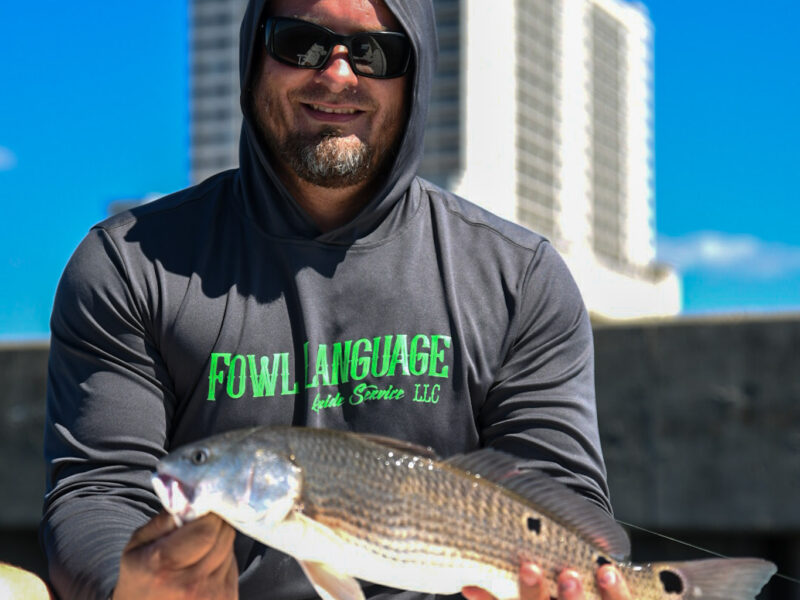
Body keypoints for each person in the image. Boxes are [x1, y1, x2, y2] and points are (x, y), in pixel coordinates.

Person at [40, 0, 633, 598]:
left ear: (417, 74)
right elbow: (100, 491)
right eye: (300, 43)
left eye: (377, 53)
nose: (338, 75)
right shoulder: (131, 265)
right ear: (252, 56)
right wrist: (130, 585)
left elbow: (560, 498)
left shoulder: (520, 277)